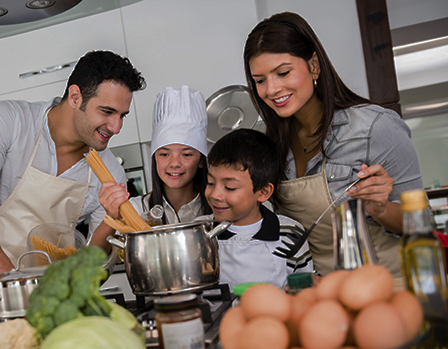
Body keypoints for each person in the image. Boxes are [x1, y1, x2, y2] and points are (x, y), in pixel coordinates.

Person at [243, 12, 423, 277]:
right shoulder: (270, 144)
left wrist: (382, 210)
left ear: (314, 65)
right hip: (322, 296)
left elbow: (422, 224)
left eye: (283, 72)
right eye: (260, 80)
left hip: (388, 287)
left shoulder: (374, 127)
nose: (271, 89)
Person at [0, 50, 146, 275]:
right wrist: (15, 285)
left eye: (122, 115)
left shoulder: (110, 173)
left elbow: (93, 266)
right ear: (74, 97)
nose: (116, 127)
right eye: (107, 112)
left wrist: (112, 219)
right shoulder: (9, 122)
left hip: (50, 297)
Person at [94, 85, 211, 245]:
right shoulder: (136, 209)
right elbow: (96, 261)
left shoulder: (217, 207)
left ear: (201, 161)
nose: (175, 163)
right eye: (164, 154)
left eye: (186, 154)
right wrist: (112, 216)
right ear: (155, 158)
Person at [204, 128, 314, 289]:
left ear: (263, 192)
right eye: (210, 183)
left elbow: (304, 289)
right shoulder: (199, 232)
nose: (215, 194)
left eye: (230, 187)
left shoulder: (290, 232)